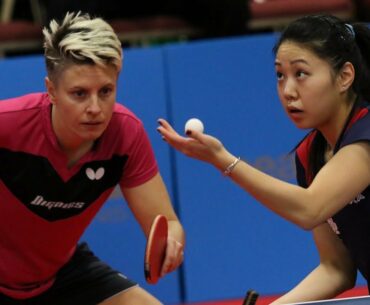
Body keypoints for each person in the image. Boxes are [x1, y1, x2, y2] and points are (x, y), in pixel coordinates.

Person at [157, 14, 370, 304]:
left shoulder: (366, 134)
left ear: (345, 76)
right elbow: (336, 269)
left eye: (301, 74)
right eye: (280, 75)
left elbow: (311, 209)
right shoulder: (311, 155)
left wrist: (223, 160)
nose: (288, 91)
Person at [0, 11, 185, 305]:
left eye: (106, 91)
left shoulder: (125, 135)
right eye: (79, 94)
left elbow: (167, 223)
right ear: (51, 91)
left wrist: (171, 243)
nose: (95, 108)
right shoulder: (7, 125)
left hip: (61, 275)